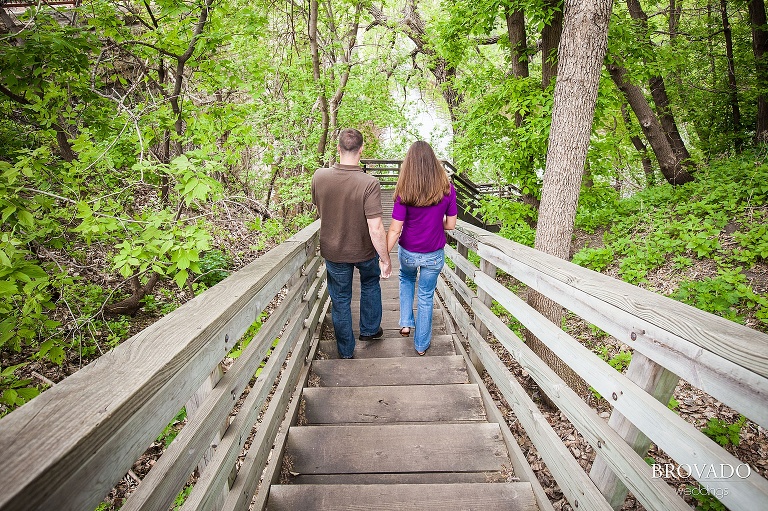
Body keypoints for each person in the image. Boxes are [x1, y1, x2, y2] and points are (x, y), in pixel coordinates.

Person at [311, 128, 392, 359]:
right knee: (369, 284)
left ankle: (346, 350)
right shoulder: (369, 183)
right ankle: (368, 330)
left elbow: (321, 209)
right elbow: (376, 227)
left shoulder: (319, 176)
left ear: (338, 148)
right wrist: (385, 259)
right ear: (361, 149)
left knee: (341, 298)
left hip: (334, 250)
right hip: (365, 250)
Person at [386, 141, 457, 356]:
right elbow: (451, 224)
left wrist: (384, 257)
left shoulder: (404, 190)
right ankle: (421, 345)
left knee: (406, 280)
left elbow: (395, 230)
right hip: (433, 254)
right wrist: (436, 224)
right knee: (426, 296)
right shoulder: (447, 189)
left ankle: (406, 323)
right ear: (434, 162)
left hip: (408, 252)